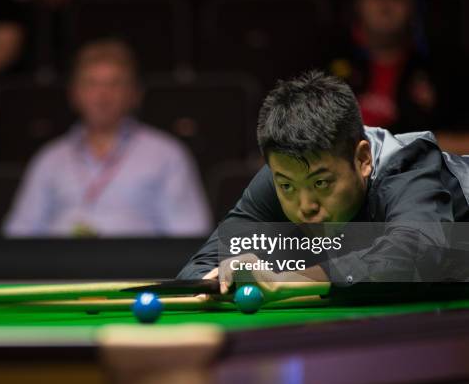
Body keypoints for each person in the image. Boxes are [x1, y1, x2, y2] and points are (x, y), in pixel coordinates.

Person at [177, 71, 469, 295]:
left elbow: (414, 256)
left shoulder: (409, 165)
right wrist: (222, 277)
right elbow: (200, 266)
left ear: (363, 159)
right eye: (288, 187)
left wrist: (288, 280)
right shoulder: (288, 171)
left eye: (322, 184)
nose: (305, 206)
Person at [3, 39, 211, 237]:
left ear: (134, 94)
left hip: (140, 271)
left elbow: (189, 234)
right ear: (74, 94)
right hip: (60, 270)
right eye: (91, 84)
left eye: (115, 84)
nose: (102, 95)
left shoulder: (166, 154)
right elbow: (18, 234)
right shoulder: (49, 158)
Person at [328, 0, 469, 154]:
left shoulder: (444, 66)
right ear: (358, 2)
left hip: (416, 174)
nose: (385, 5)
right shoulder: (325, 58)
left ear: (413, 6)